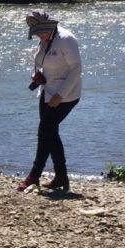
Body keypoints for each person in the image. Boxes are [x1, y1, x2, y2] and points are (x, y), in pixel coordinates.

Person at [17, 11, 82, 192]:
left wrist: (60, 95)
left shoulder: (66, 39)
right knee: (50, 133)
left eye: (39, 32)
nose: (38, 36)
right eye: (36, 33)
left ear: (48, 27)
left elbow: (76, 70)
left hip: (66, 95)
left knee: (44, 131)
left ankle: (34, 176)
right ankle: (61, 176)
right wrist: (38, 76)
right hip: (46, 92)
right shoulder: (45, 39)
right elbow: (45, 62)